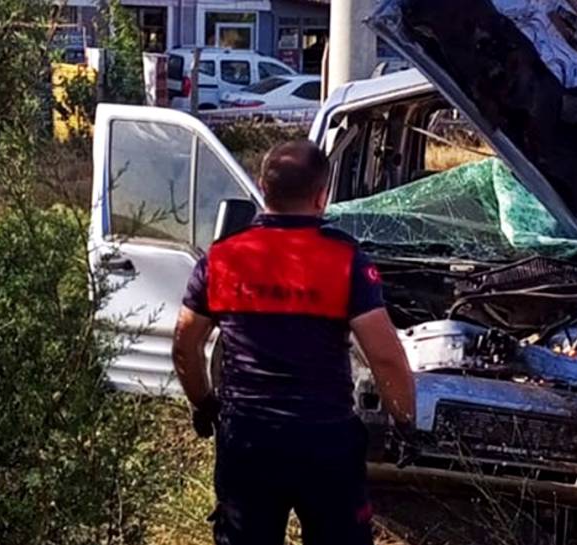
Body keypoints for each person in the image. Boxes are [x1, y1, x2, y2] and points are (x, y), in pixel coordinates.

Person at [173, 140, 416, 545]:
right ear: (322, 196)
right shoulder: (345, 262)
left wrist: (204, 403)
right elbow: (386, 358)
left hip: (248, 441)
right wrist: (404, 423)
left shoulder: (221, 259)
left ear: (262, 188)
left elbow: (185, 344)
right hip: (326, 443)